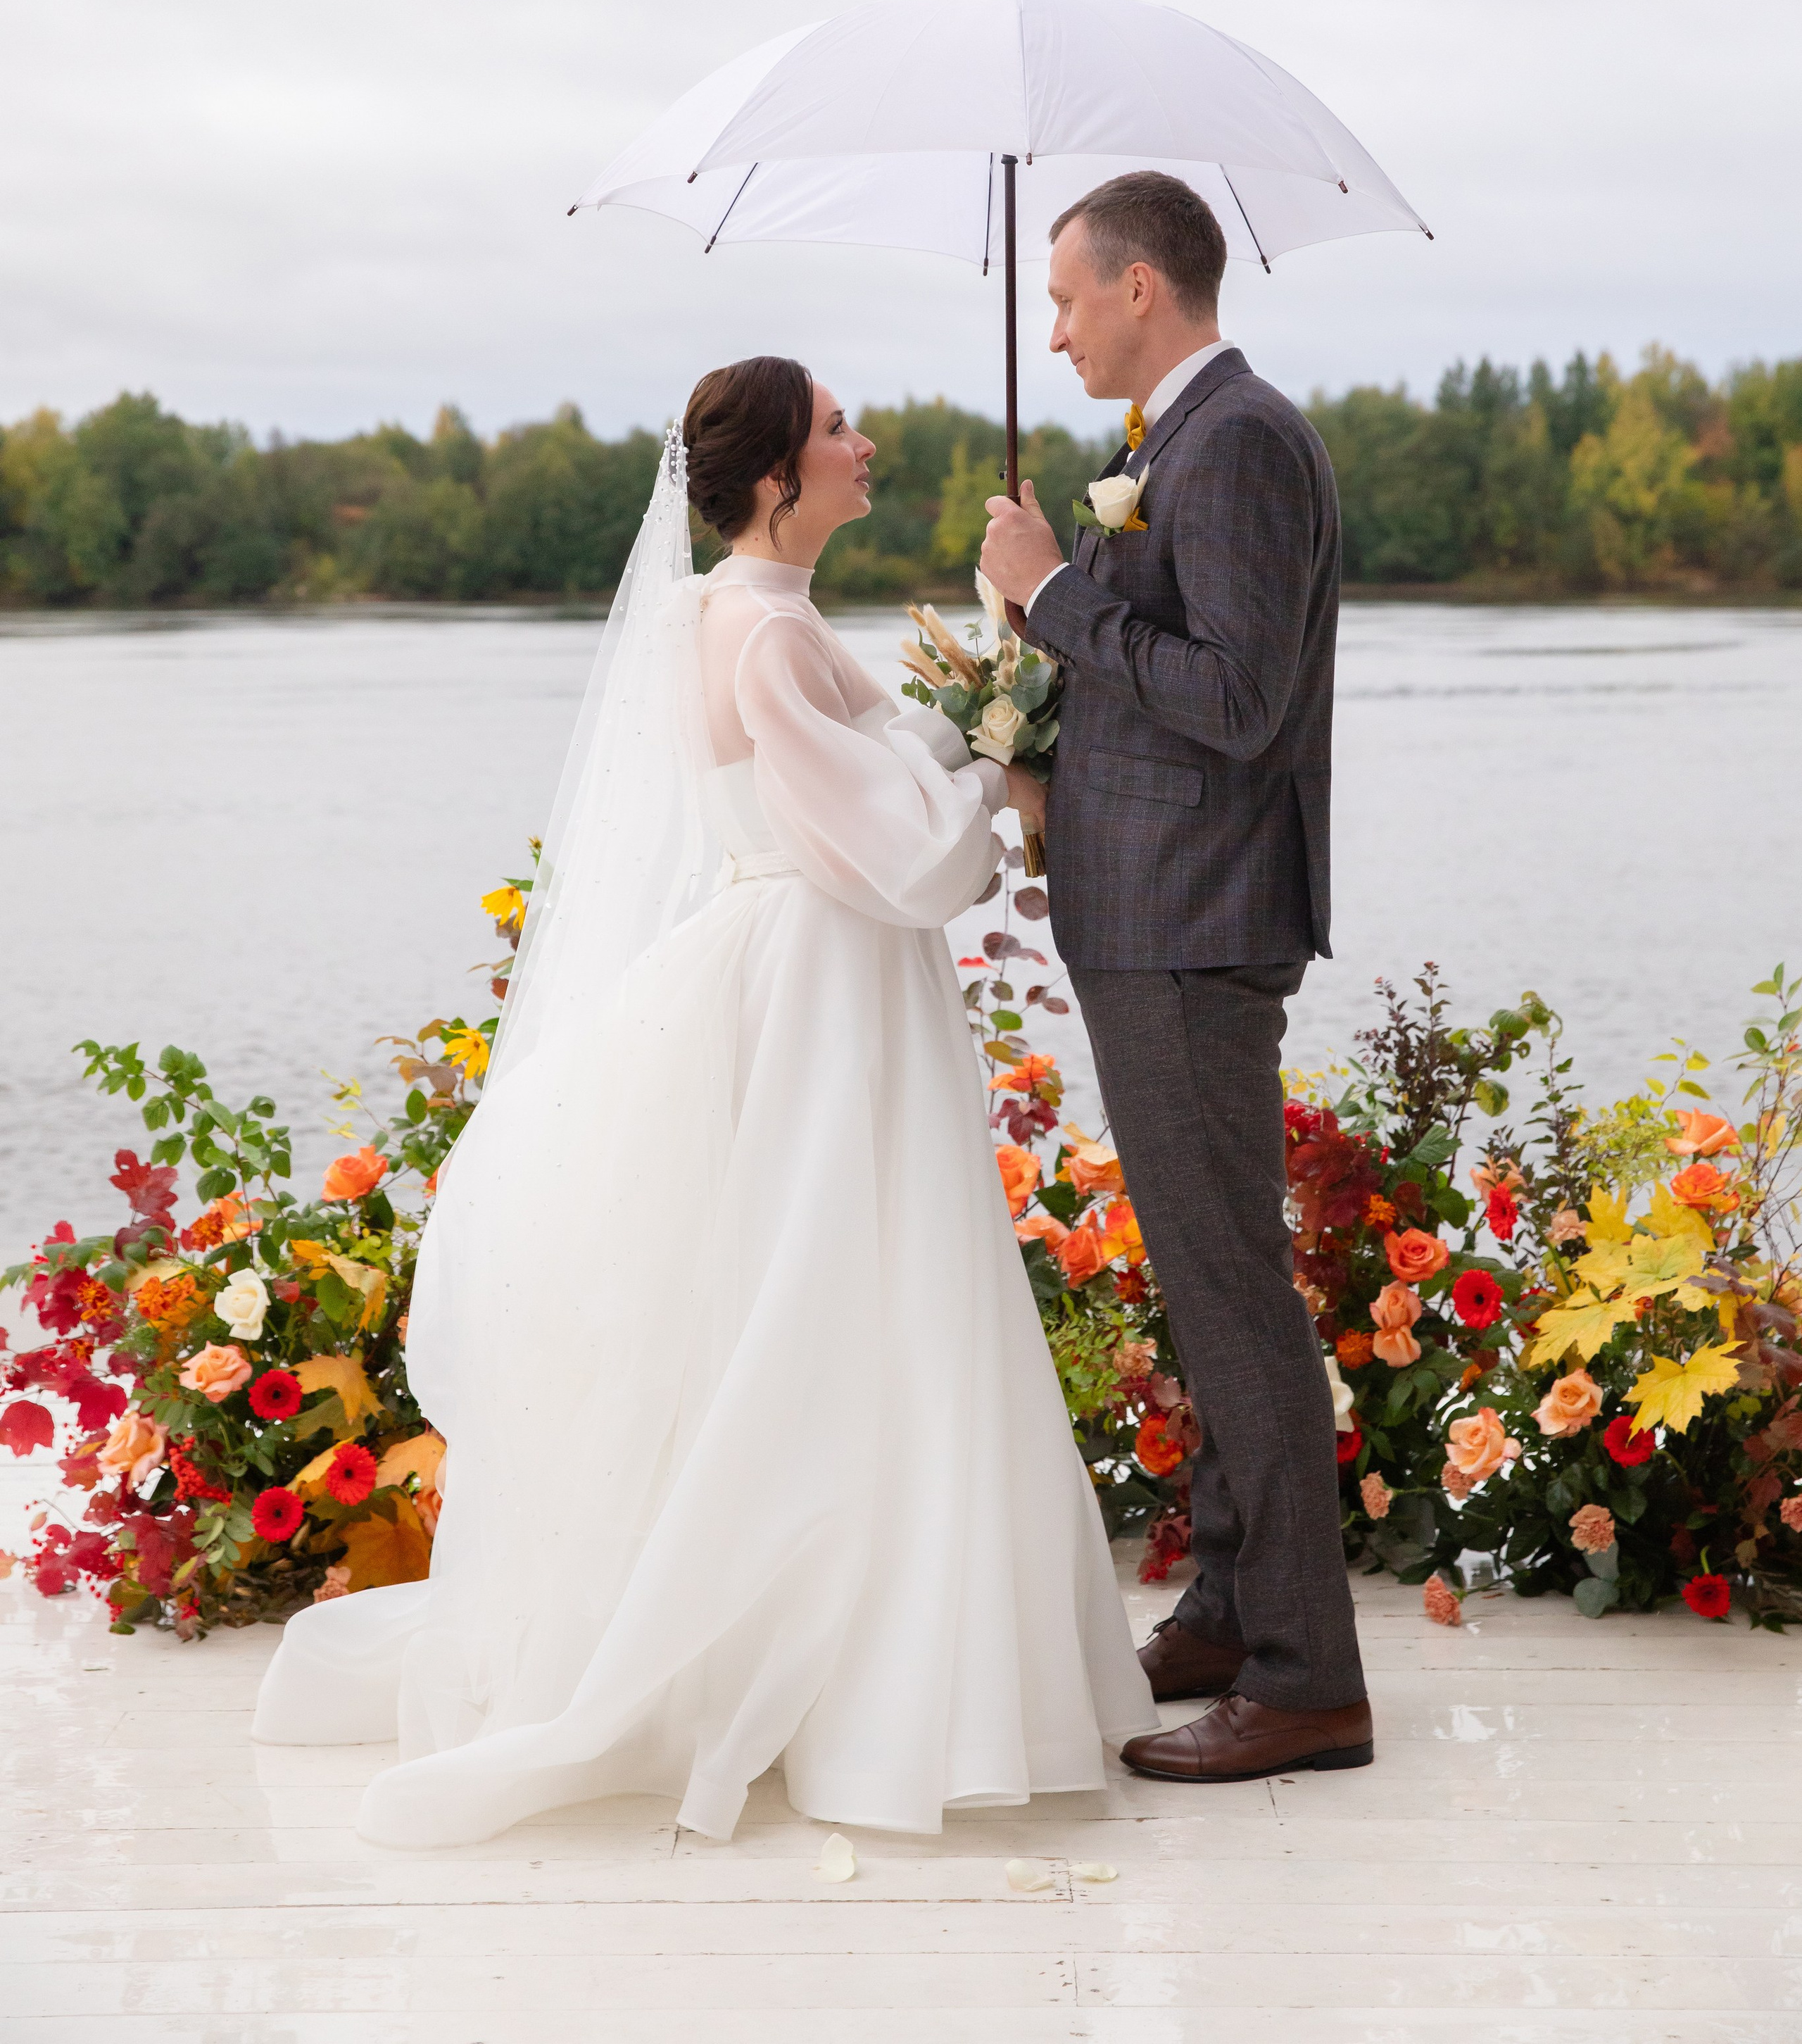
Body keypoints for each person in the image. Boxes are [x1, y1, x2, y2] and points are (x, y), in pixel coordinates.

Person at [253, 355, 1152, 1843]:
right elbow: (906, 858)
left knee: (805, 1303)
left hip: (797, 965)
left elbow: (870, 768)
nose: (863, 445)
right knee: (854, 1304)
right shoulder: (762, 639)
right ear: (775, 481)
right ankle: (867, 1682)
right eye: (836, 431)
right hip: (823, 983)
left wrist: (993, 679)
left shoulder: (742, 616)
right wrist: (999, 768)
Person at [979, 171, 1373, 1784]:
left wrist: (1055, 596)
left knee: (1230, 1293)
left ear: (1143, 288)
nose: (1053, 326)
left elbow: (1237, 697)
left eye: (1066, 296)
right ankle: (1223, 1606)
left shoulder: (1242, 442)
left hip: (1199, 925)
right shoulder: (1165, 446)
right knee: (1202, 1282)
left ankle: (1303, 1680)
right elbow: (1163, 676)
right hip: (1149, 915)